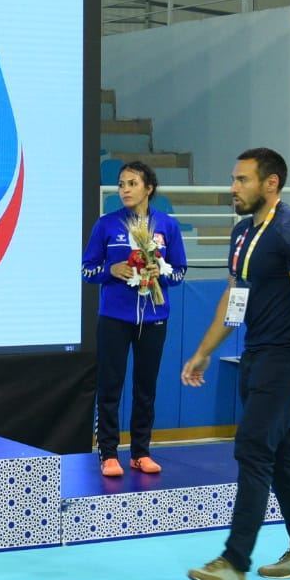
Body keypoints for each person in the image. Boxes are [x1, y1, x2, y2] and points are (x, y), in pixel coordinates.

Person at [181, 148, 290, 580]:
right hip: (257, 354)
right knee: (280, 455)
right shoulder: (244, 233)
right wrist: (205, 350)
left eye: (242, 180)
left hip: (287, 359)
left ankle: (234, 561)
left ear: (271, 184)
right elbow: (234, 295)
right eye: (233, 178)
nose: (233, 187)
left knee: (252, 448)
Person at [81, 161, 188, 475]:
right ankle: (108, 453)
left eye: (132, 184)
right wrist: (110, 271)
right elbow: (86, 270)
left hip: (155, 317)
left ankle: (141, 452)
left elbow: (180, 271)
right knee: (110, 386)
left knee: (146, 387)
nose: (124, 190)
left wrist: (162, 273)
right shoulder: (106, 225)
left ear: (148, 188)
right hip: (114, 317)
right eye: (121, 184)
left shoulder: (168, 226)